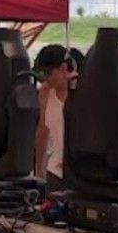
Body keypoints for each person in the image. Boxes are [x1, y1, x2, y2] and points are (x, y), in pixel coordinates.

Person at [34, 44, 76, 190]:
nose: (45, 78)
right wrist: (38, 168)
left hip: (76, 173)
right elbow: (42, 130)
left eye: (48, 72)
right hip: (54, 172)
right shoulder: (45, 92)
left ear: (63, 68)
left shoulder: (81, 90)